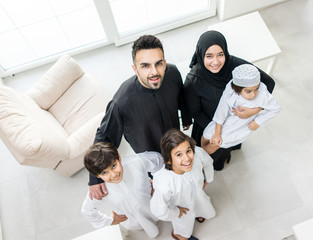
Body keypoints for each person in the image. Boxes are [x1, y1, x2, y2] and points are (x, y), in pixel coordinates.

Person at [89, 35, 191, 200]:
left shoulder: (172, 73)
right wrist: (95, 177)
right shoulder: (121, 101)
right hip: (152, 157)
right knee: (164, 190)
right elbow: (104, 138)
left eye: (159, 63)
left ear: (164, 62)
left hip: (177, 147)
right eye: (145, 66)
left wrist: (186, 118)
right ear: (135, 68)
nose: (154, 72)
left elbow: (181, 97)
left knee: (184, 181)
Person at [184, 30, 276, 170]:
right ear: (201, 54)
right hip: (209, 124)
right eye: (209, 56)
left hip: (236, 123)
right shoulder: (194, 80)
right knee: (208, 156)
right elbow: (195, 112)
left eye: (220, 55)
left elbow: (268, 82)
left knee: (224, 151)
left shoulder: (238, 67)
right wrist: (219, 130)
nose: (215, 62)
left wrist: (255, 110)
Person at [81, 142, 164, 239]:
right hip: (134, 222)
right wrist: (110, 221)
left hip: (155, 206)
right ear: (97, 175)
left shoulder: (136, 162)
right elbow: (87, 211)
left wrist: (157, 184)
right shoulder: (99, 190)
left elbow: (158, 160)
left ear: (119, 157)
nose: (113, 175)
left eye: (114, 166)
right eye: (104, 173)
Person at [201, 64, 281, 156]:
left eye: (256, 89)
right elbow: (222, 108)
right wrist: (217, 132)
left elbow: (275, 108)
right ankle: (200, 153)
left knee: (214, 144)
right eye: (248, 91)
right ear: (238, 89)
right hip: (224, 119)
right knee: (206, 135)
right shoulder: (231, 88)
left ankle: (201, 160)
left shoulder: (262, 94)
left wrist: (258, 122)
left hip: (239, 127)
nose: (253, 94)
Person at [150, 129, 215, 240]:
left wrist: (208, 179)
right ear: (169, 160)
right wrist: (175, 212)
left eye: (188, 151)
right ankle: (179, 235)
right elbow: (158, 209)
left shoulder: (197, 154)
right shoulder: (165, 183)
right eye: (179, 154)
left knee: (201, 205)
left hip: (198, 195)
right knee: (184, 224)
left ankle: (199, 212)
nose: (187, 158)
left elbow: (208, 162)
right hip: (182, 207)